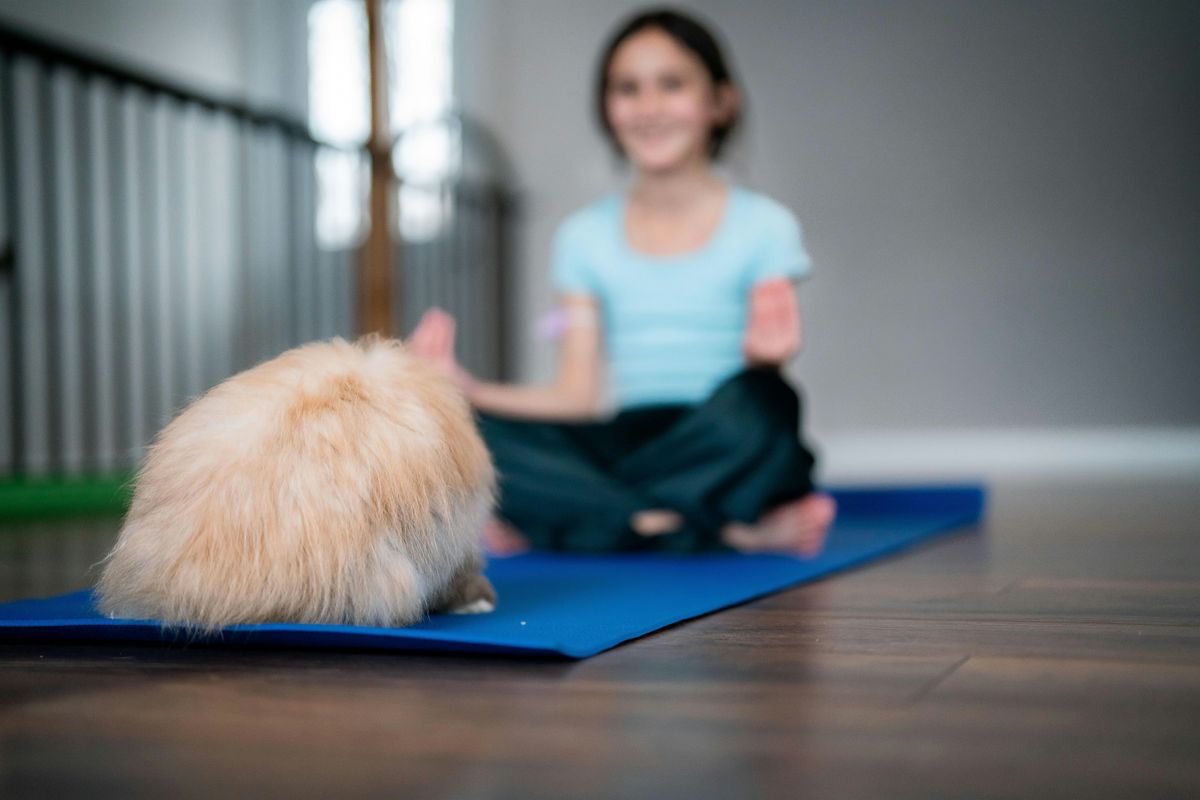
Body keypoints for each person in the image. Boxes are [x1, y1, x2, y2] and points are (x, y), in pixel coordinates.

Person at [408, 7, 836, 556]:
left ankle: (583, 519)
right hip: (626, 438)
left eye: (672, 84)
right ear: (608, 109)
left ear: (721, 102)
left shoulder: (766, 226)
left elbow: (756, 407)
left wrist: (765, 364)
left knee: (764, 403)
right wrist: (467, 392)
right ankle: (714, 529)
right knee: (473, 434)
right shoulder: (583, 237)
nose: (649, 107)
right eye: (628, 89)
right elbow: (577, 396)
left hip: (721, 433)